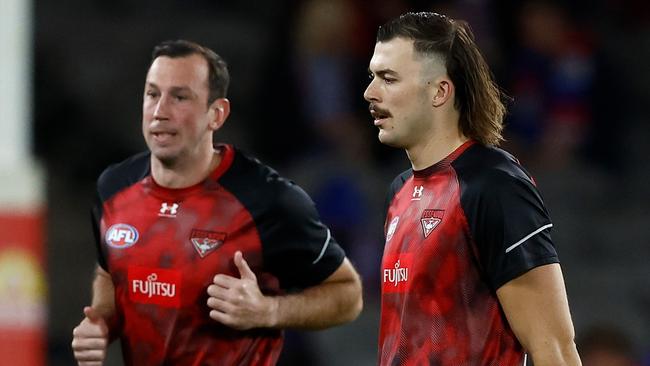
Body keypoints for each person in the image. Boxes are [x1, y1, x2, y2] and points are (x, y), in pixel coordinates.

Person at [71, 40, 363, 366]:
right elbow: (109, 270)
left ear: (217, 114)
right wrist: (100, 321)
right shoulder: (114, 186)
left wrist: (269, 310)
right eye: (152, 94)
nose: (159, 112)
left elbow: (348, 295)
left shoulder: (268, 200)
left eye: (179, 97)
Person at [364, 12, 581, 365]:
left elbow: (553, 348)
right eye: (372, 76)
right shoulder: (399, 192)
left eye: (388, 78)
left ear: (440, 91)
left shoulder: (494, 185)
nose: (370, 92)